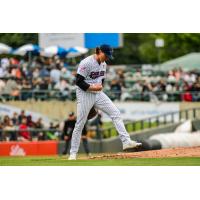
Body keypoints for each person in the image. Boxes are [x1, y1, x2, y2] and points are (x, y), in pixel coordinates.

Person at [68, 44, 142, 160]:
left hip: (98, 94)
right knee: (80, 124)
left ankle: (126, 141)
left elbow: (101, 81)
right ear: (99, 51)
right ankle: (73, 153)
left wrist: (96, 101)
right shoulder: (86, 62)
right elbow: (78, 82)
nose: (107, 57)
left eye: (109, 55)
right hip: (84, 93)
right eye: (106, 55)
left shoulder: (104, 64)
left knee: (115, 113)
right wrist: (93, 89)